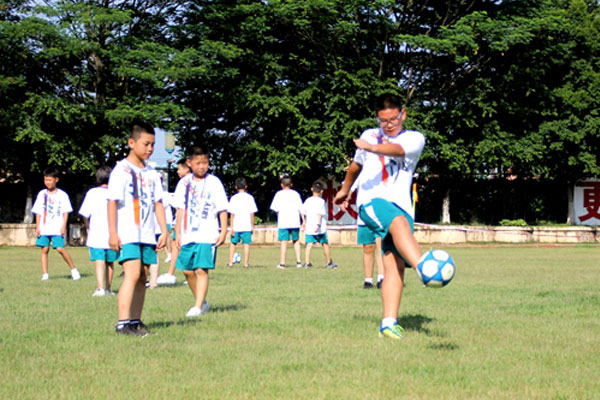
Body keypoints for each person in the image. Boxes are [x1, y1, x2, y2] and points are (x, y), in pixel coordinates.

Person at [334, 93, 425, 339]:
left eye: (393, 119)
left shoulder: (414, 138)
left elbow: (396, 150)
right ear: (378, 118)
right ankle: (425, 268)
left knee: (393, 263)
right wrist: (345, 190)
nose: (389, 124)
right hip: (372, 202)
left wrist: (371, 148)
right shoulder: (368, 135)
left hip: (402, 207)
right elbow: (356, 165)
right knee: (394, 223)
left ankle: (388, 323)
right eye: (384, 120)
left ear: (403, 115)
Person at [108, 121, 168, 336]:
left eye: (152, 144)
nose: (150, 149)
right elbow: (112, 202)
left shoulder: (152, 173)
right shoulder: (121, 170)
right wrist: (113, 233)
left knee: (143, 275)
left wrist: (164, 231)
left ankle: (135, 320)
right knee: (132, 273)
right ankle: (122, 323)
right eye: (146, 144)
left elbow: (158, 203)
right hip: (128, 233)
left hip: (147, 233)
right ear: (131, 143)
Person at [173, 146, 228, 318]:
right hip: (188, 233)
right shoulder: (184, 183)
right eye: (198, 163)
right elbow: (179, 209)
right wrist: (178, 233)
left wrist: (223, 230)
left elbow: (222, 208)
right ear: (189, 163)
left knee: (201, 269)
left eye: (205, 163)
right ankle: (202, 301)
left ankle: (197, 307)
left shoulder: (214, 182)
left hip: (207, 233)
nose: (202, 166)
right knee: (187, 270)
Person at [32, 167, 80, 281]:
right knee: (44, 249)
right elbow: (38, 211)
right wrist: (37, 226)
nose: (47, 182)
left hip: (57, 227)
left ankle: (73, 270)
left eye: (50, 180)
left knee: (60, 248)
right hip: (44, 227)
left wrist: (63, 226)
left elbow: (65, 212)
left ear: (56, 180)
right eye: (45, 180)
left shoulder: (62, 195)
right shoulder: (41, 194)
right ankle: (45, 274)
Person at [79, 166, 118, 296]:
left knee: (99, 261)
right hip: (113, 233)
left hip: (97, 233)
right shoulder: (116, 192)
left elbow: (85, 213)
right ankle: (108, 288)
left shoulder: (92, 193)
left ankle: (100, 288)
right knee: (110, 262)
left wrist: (87, 227)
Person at [157, 158, 190, 286]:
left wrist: (178, 224)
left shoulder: (184, 182)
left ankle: (173, 273)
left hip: (183, 221)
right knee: (180, 246)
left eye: (179, 168)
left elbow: (178, 205)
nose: (177, 171)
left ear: (186, 168)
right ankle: (180, 273)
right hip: (189, 221)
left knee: (178, 245)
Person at [270, 175, 305, 269]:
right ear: (291, 184)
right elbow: (301, 208)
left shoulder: (279, 194)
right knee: (296, 240)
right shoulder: (296, 194)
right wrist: (304, 221)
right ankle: (299, 262)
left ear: (282, 185)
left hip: (283, 221)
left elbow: (275, 209)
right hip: (295, 221)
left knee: (284, 242)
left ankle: (282, 263)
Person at [302, 181, 337, 269]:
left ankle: (307, 263)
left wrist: (304, 222)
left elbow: (302, 212)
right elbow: (320, 213)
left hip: (309, 227)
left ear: (311, 189)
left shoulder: (307, 200)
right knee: (324, 244)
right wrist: (318, 225)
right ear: (322, 191)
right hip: (320, 227)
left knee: (309, 244)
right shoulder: (321, 201)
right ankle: (329, 262)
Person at [227, 177, 258, 268]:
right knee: (246, 244)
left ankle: (230, 262)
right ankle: (246, 263)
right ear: (246, 186)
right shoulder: (250, 198)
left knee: (233, 243)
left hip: (236, 225)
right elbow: (252, 213)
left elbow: (232, 214)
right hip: (246, 225)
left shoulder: (233, 198)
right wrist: (252, 226)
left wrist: (231, 227)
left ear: (236, 187)